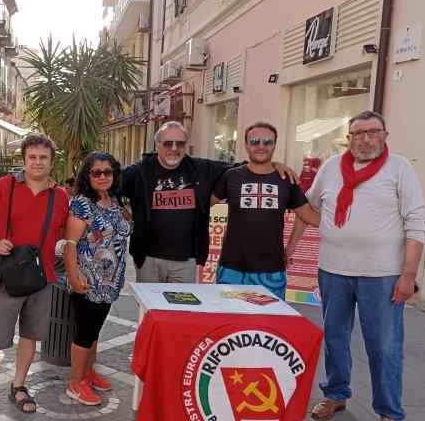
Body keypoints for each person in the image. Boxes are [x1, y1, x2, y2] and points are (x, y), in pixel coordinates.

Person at [286, 111, 425, 421]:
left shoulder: (400, 168)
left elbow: (416, 222)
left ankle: (389, 415)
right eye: (358, 133)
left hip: (382, 274)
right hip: (334, 268)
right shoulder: (332, 166)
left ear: (385, 135)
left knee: (384, 345)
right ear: (349, 137)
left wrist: (408, 275)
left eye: (372, 132)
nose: (365, 139)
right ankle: (336, 394)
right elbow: (308, 207)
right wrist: (290, 247)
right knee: (335, 336)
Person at [0, 133, 69, 421]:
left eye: (43, 157)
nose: (37, 162)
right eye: (32, 157)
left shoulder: (61, 196)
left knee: (30, 336)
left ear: (52, 162)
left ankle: (18, 386)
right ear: (24, 160)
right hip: (9, 277)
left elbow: (63, 234)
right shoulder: (5, 186)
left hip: (44, 279)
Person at [120, 121, 296, 283]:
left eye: (180, 143)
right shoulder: (139, 171)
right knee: (149, 309)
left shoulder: (201, 168)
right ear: (157, 145)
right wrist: (123, 211)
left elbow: (240, 169)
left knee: (181, 311)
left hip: (186, 260)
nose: (174, 148)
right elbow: (109, 188)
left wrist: (272, 165)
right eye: (168, 143)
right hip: (148, 257)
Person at [210, 122, 320, 299]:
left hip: (271, 270)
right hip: (231, 268)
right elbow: (202, 204)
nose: (261, 146)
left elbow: (310, 217)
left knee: (270, 325)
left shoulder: (286, 179)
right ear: (246, 145)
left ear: (275, 145)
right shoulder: (231, 176)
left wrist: (350, 221)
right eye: (254, 141)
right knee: (230, 323)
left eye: (267, 142)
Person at [63, 152, 131, 405]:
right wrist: (74, 275)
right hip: (88, 279)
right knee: (85, 331)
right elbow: (69, 244)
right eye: (96, 172)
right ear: (87, 175)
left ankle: (87, 373)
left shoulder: (113, 200)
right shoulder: (82, 204)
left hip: (109, 280)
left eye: (108, 172)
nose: (103, 176)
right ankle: (75, 383)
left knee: (95, 330)